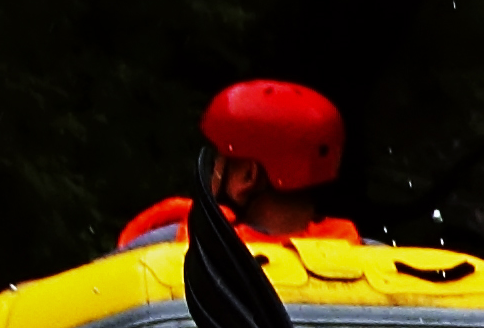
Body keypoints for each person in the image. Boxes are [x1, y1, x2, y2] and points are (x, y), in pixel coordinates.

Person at [116, 78, 356, 256]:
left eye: (218, 162)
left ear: (248, 176)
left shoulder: (165, 247)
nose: (211, 173)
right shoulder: (365, 256)